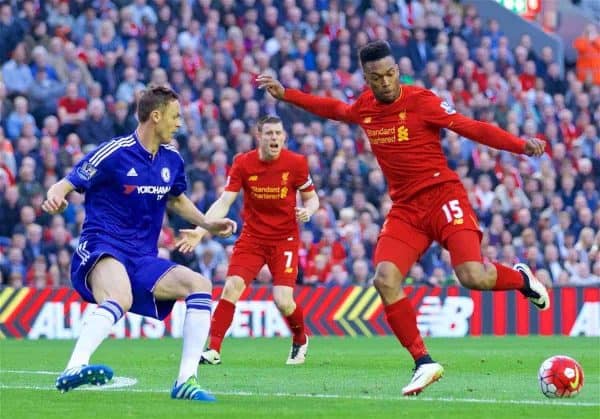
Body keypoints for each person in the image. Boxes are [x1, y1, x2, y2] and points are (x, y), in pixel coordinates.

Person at [257, 40, 550, 396]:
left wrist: (519, 145)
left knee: (473, 276)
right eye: (376, 77)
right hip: (406, 210)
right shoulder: (365, 107)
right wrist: (287, 94)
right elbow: (333, 108)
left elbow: (470, 127)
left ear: (398, 71)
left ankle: (520, 280)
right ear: (366, 79)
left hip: (443, 196)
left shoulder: (421, 100)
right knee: (384, 279)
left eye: (390, 73)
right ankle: (423, 362)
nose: (385, 82)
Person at [42, 85, 237, 402]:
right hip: (102, 246)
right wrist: (56, 197)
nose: (179, 124)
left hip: (142, 256)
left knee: (200, 285)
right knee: (120, 297)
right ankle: (74, 367)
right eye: (175, 116)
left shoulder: (171, 158)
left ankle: (186, 381)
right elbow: (66, 183)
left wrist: (206, 223)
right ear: (156, 116)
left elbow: (176, 200)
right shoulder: (114, 153)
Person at [176, 115, 319, 365]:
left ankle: (300, 338)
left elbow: (312, 198)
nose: (274, 138)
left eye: (278, 133)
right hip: (252, 237)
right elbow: (224, 201)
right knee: (231, 287)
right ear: (259, 136)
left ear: (284, 137)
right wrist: (200, 231)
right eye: (269, 133)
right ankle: (214, 349)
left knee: (283, 300)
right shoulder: (243, 163)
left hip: (284, 239)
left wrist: (309, 211)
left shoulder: (296, 163)